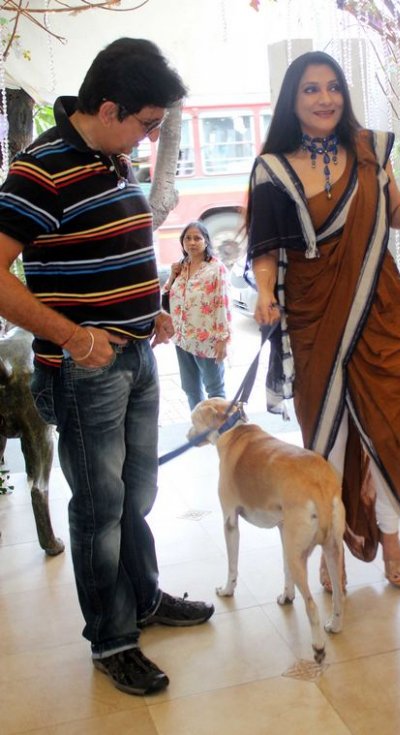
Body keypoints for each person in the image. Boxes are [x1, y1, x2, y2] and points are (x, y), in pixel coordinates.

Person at [0, 38, 215, 697]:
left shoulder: (112, 156)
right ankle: (112, 639)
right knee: (99, 509)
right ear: (112, 106)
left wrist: (148, 308)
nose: (149, 139)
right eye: (147, 123)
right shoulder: (39, 169)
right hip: (83, 368)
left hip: (133, 355)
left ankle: (144, 598)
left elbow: (109, 246)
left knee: (136, 495)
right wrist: (72, 336)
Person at [245, 51, 400, 590]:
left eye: (333, 87)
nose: (325, 98)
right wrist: (266, 293)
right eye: (311, 89)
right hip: (313, 316)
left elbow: (398, 216)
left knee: (387, 430)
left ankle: (389, 533)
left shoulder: (369, 151)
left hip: (377, 310)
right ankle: (331, 539)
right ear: (293, 99)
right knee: (325, 431)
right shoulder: (272, 168)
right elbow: (265, 247)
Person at [163, 220, 231, 410]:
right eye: (187, 238)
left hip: (207, 340)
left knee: (215, 390)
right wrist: (172, 276)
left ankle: (222, 434)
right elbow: (167, 297)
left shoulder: (216, 269)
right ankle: (200, 429)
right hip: (183, 339)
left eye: (197, 238)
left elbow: (222, 305)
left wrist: (223, 339)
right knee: (191, 389)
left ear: (206, 241)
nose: (192, 242)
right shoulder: (181, 267)